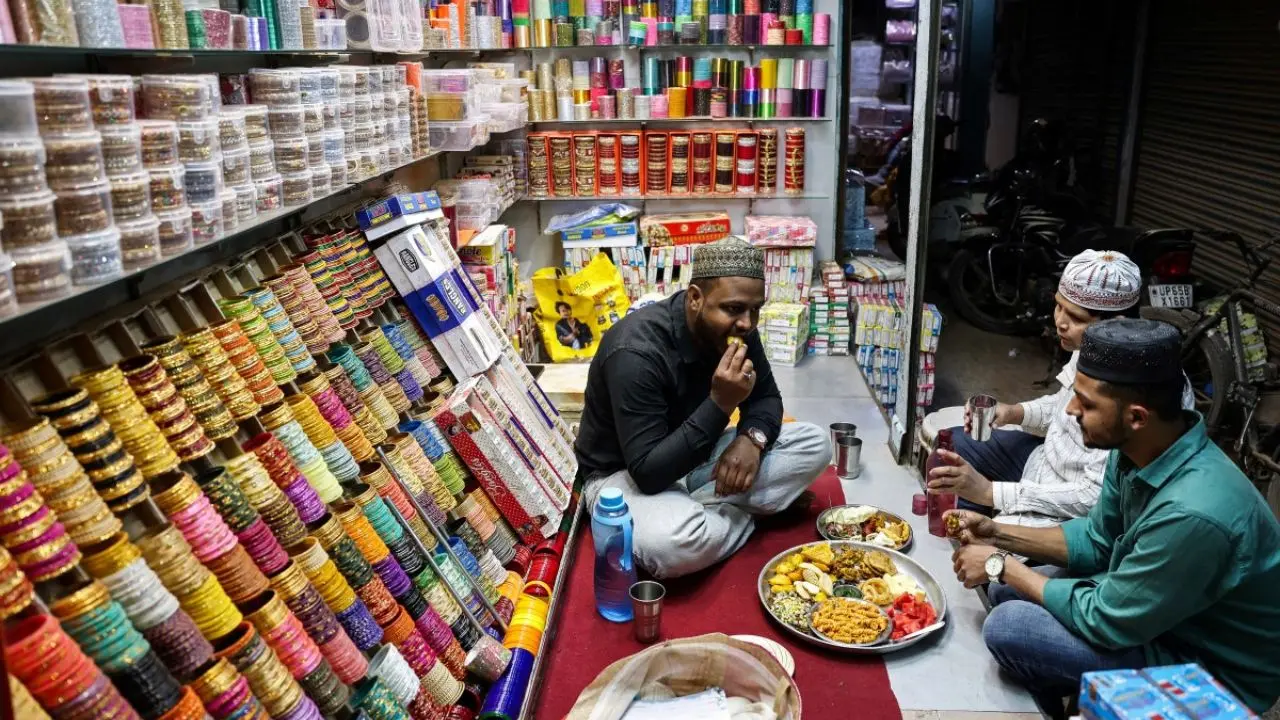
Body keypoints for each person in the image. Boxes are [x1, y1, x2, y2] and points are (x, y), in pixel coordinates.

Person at [948, 318, 1280, 718]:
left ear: (1137, 416)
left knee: (1010, 624)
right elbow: (1098, 539)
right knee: (1005, 592)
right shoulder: (1136, 451)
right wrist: (998, 534)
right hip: (1159, 614)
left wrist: (1002, 565)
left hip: (1208, 668)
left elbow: (1106, 620)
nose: (1070, 410)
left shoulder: (1194, 513)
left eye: (1086, 403)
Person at [574, 237, 830, 579]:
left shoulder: (738, 331)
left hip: (694, 459)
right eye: (734, 309)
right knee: (670, 544)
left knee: (815, 443)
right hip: (623, 475)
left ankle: (706, 508)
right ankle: (748, 514)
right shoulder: (635, 353)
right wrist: (722, 403)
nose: (748, 323)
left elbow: (767, 398)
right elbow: (648, 472)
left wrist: (751, 440)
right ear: (695, 298)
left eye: (756, 309)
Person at [929, 249, 1193, 528]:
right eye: (1059, 306)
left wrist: (991, 493)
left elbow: (1093, 497)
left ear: (1116, 324)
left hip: (1071, 508)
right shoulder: (1094, 346)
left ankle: (979, 534)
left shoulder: (1139, 394)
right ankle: (960, 528)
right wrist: (1014, 413)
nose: (1060, 322)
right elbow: (1061, 404)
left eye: (1076, 317)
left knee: (986, 555)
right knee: (953, 451)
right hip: (1043, 463)